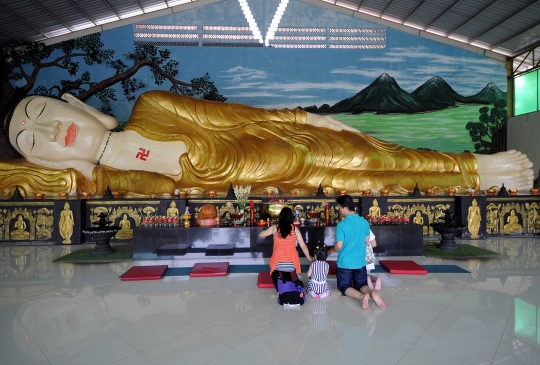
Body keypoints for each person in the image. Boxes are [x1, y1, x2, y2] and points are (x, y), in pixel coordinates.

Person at [0, 91, 534, 197]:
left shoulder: (151, 108)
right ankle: (480, 177)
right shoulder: (113, 183)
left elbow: (240, 115)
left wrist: (312, 119)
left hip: (286, 141)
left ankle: (476, 162)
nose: (49, 130)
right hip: (290, 185)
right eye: (32, 141)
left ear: (78, 105)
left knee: (380, 155)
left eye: (45, 111)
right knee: (382, 183)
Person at [327, 195, 385, 311]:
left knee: (344, 286)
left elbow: (338, 246)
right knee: (361, 284)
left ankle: (362, 296)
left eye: (339, 207)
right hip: (360, 261)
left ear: (344, 207)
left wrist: (331, 251)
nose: (339, 209)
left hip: (345, 262)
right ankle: (371, 293)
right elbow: (367, 240)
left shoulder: (342, 224)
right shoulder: (364, 222)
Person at [259, 207, 313, 291]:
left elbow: (261, 235)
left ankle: (279, 289)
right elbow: (303, 246)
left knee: (274, 272)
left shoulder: (275, 228)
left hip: (277, 264)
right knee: (289, 273)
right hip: (292, 264)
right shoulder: (295, 229)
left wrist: (267, 231)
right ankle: (291, 283)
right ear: (291, 217)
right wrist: (309, 258)